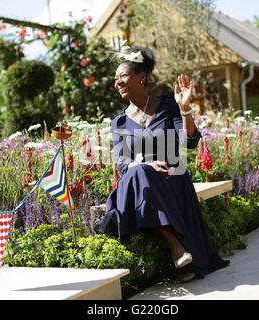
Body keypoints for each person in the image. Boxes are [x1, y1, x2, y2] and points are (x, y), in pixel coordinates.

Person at [94, 47, 230, 282]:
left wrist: (185, 108)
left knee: (143, 176)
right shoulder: (120, 121)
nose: (118, 82)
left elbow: (188, 142)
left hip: (172, 179)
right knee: (141, 173)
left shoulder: (167, 107)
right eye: (116, 79)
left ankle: (177, 248)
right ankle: (175, 245)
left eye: (123, 76)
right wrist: (145, 165)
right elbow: (122, 162)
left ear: (141, 78)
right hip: (139, 181)